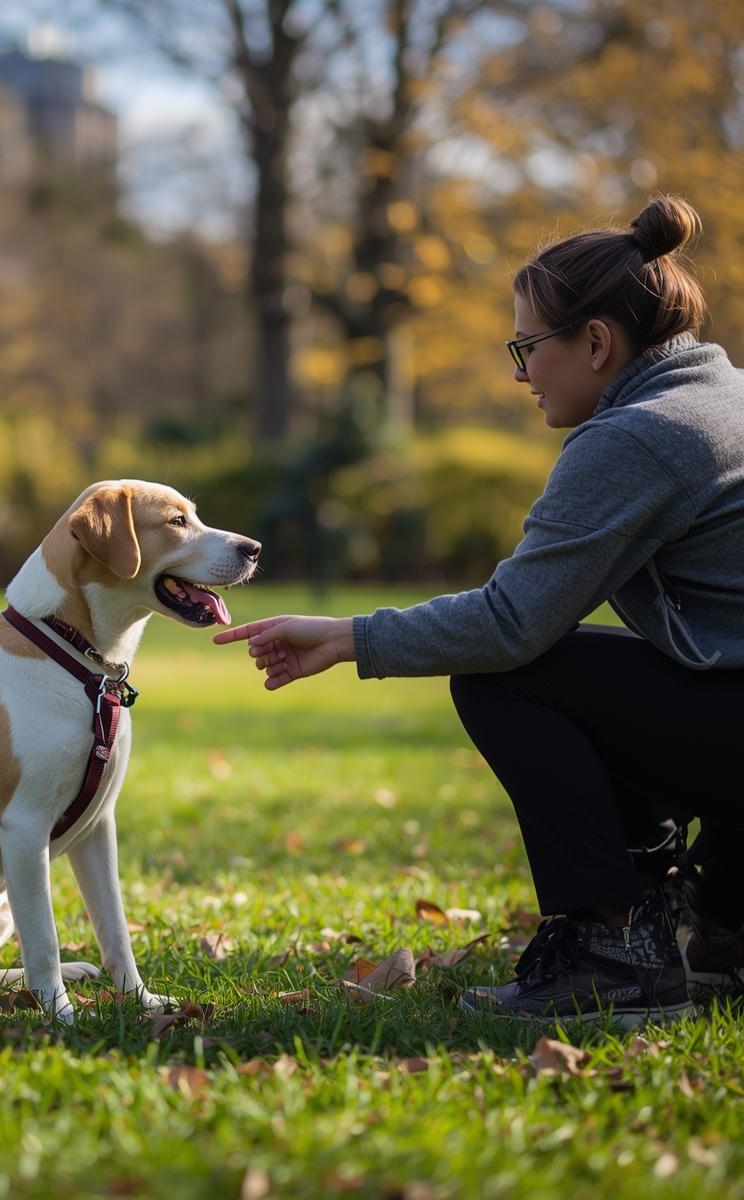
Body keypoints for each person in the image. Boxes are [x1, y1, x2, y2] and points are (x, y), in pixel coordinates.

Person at [214, 195, 744, 1027]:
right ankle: (717, 925)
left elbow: (510, 626)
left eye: (527, 347)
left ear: (595, 343)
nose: (520, 374)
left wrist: (348, 638)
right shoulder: (724, 398)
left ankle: (613, 949)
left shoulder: (638, 435)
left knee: (509, 678)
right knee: (599, 674)